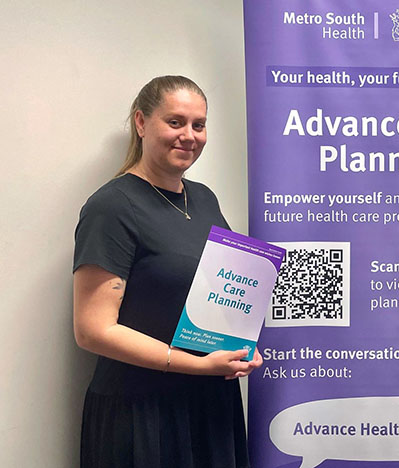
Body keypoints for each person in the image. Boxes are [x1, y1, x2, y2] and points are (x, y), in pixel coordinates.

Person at [73, 75, 262, 468]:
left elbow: (216, 295)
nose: (189, 135)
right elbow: (93, 330)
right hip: (142, 414)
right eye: (175, 122)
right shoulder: (112, 207)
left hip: (209, 404)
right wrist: (198, 364)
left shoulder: (204, 198)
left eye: (199, 124)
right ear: (141, 123)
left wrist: (238, 345)